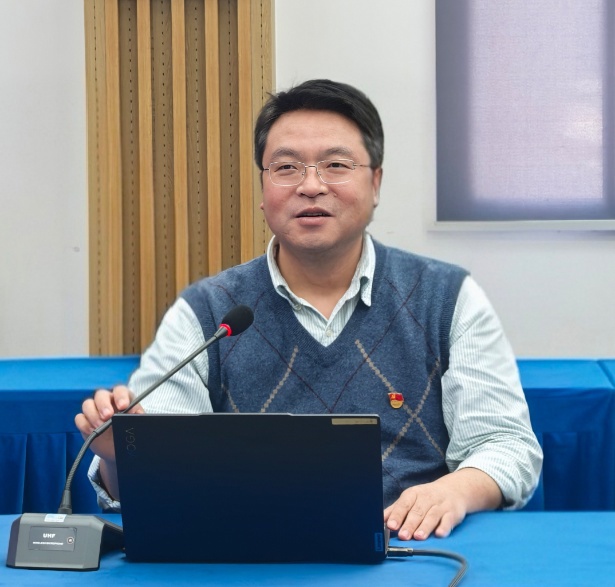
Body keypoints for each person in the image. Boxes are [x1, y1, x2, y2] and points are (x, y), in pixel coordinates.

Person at [76, 79, 542, 541]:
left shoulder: (447, 297)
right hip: (252, 555)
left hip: (414, 550)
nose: (312, 186)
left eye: (336, 165)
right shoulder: (208, 311)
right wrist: (121, 457)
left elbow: (506, 445)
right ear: (263, 191)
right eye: (287, 168)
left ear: (375, 183)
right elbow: (160, 471)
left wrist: (454, 491)